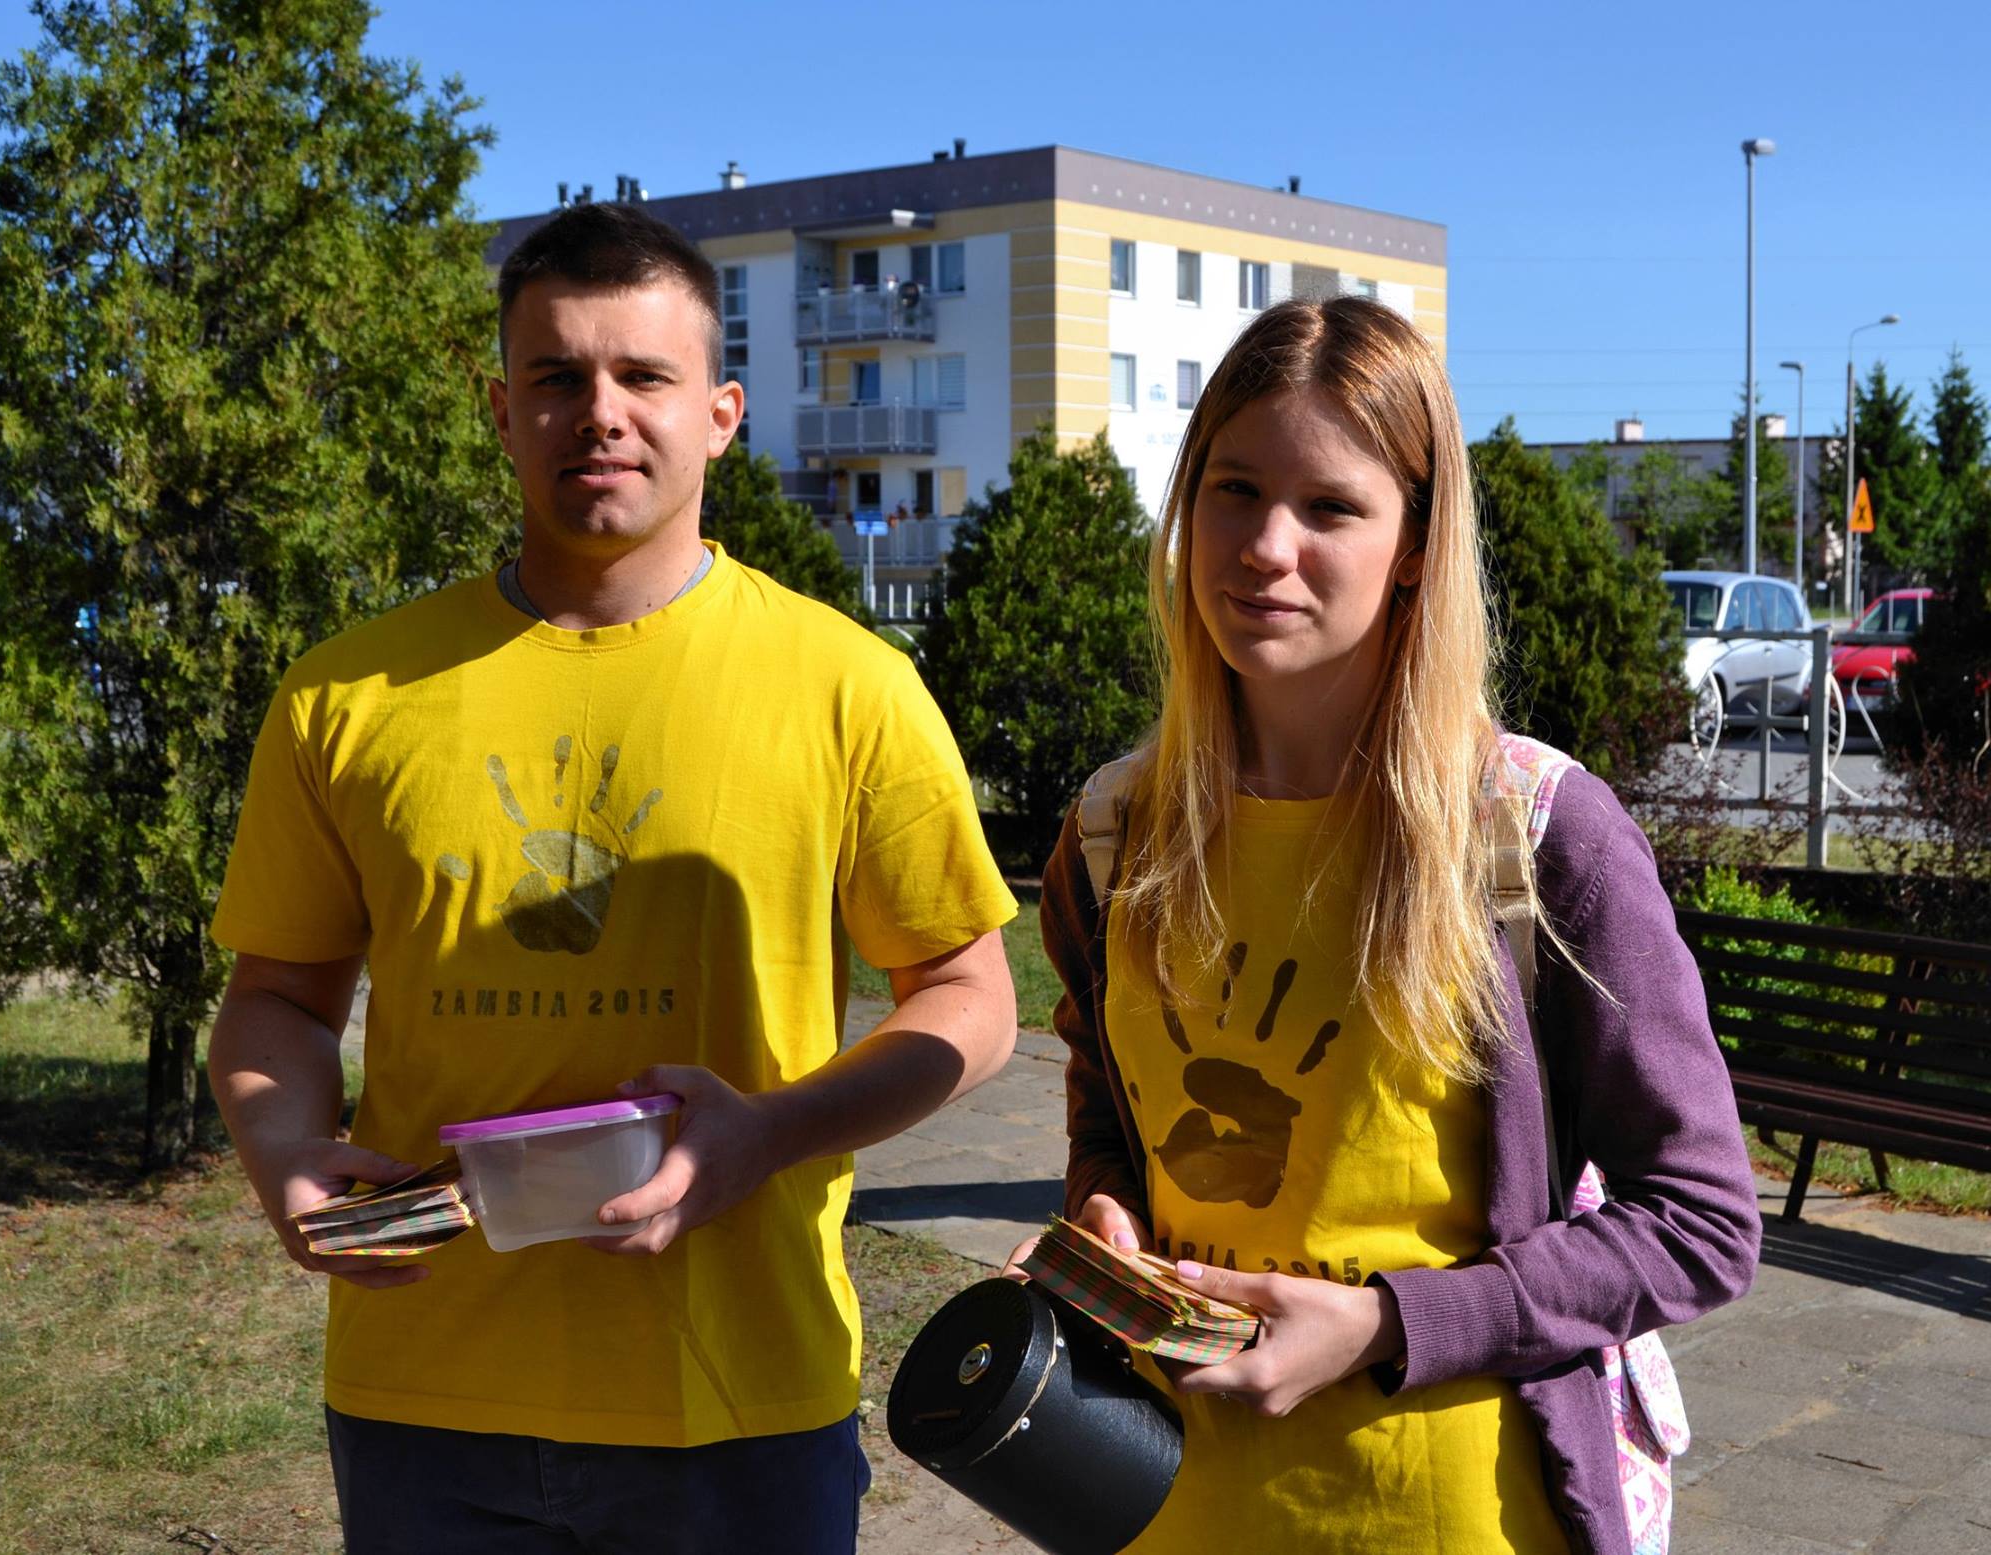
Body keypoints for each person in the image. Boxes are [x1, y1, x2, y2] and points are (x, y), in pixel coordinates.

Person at [208, 199, 1019, 1553]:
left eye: (644, 375)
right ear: (501, 409)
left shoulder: (848, 687)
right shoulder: (343, 696)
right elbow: (276, 1000)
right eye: (556, 376)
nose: (600, 413)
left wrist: (769, 1132)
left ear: (721, 412)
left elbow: (972, 999)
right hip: (426, 1389)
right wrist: (284, 1151)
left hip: (737, 1395)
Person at [1016, 296, 1759, 1552]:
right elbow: (1107, 1122)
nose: (1265, 546)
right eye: (1234, 491)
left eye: (1329, 507)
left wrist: (1385, 1326)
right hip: (1160, 1507)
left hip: (1449, 1514)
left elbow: (1700, 1222)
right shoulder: (1110, 834)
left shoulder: (1538, 835)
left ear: (1413, 542)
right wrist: (1105, 1214)